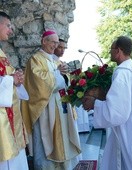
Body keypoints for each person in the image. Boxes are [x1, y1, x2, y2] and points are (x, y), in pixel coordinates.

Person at [82, 36, 132, 170]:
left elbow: (116, 113)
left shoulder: (122, 73)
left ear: (118, 51)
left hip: (130, 132)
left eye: (111, 49)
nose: (110, 52)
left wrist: (94, 103)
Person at [21, 30, 81, 170]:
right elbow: (39, 83)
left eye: (56, 42)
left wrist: (66, 75)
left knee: (64, 139)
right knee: (47, 140)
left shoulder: (55, 60)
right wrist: (57, 73)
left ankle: (65, 166)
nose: (55, 45)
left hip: (61, 106)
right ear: (44, 41)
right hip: (46, 109)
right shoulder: (35, 60)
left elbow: (63, 80)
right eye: (52, 42)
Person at [0, 11, 29, 170]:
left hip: (10, 114)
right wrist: (11, 80)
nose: (11, 30)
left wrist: (16, 80)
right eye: (8, 25)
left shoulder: (2, 53)